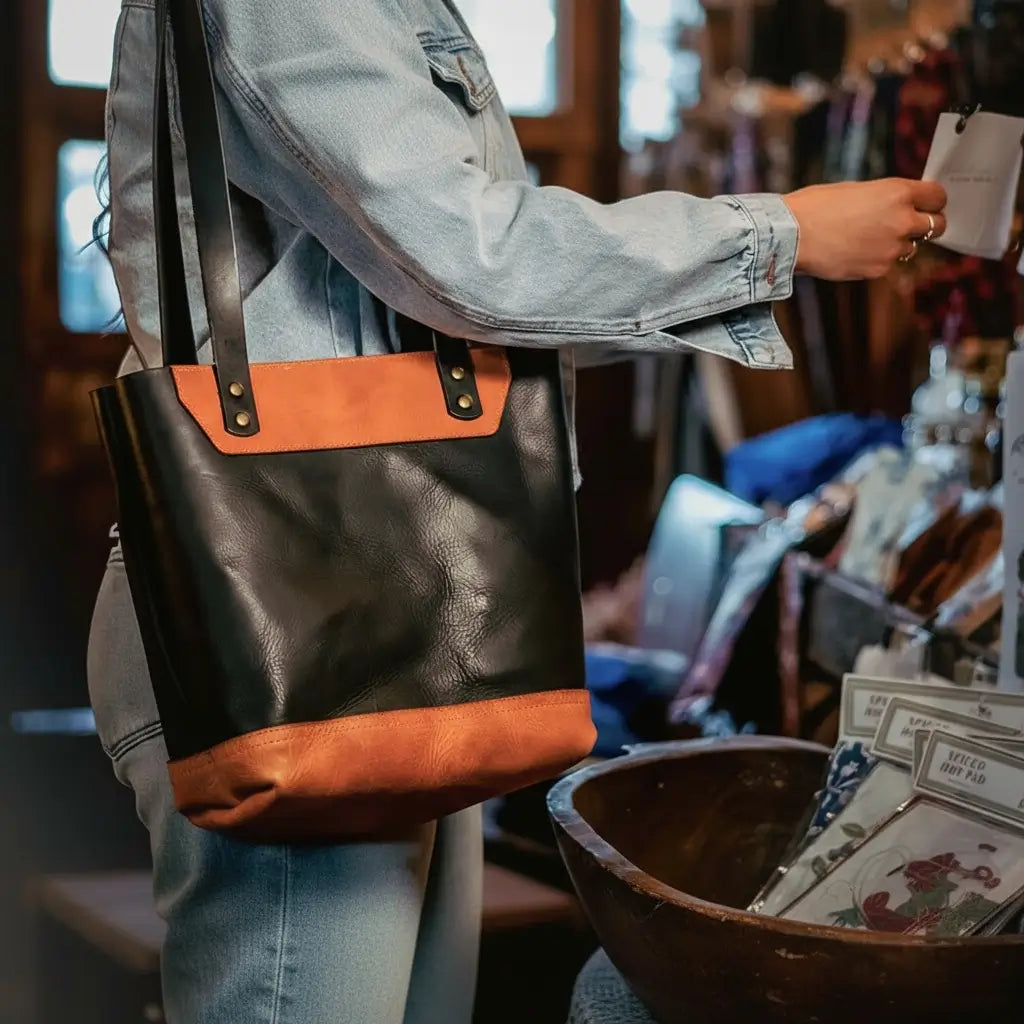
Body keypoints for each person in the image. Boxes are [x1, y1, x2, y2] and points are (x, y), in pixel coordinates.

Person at [87, 1, 947, 1022]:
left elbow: (490, 298)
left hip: (370, 606)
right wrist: (780, 233)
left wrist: (763, 250)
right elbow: (465, 259)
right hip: (289, 618)